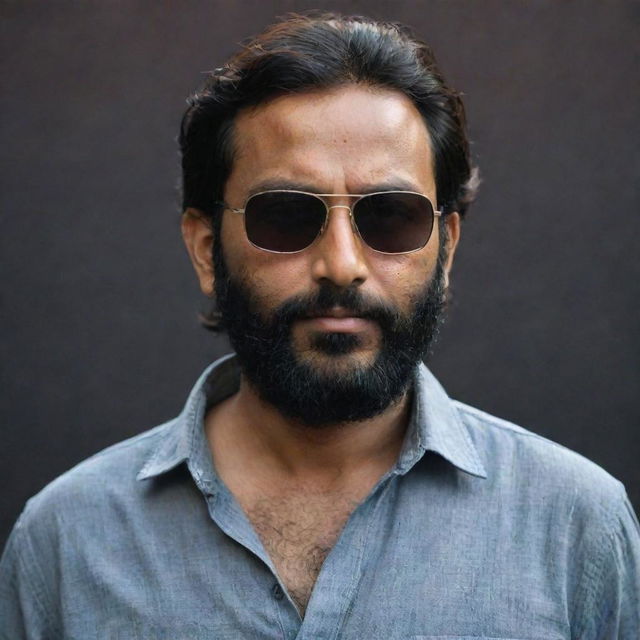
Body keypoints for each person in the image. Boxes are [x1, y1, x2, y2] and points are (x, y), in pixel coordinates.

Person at [1, 13, 638, 639]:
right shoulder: (65, 541)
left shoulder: (577, 525)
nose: (342, 265)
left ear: (446, 248)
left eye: (391, 217)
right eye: (284, 217)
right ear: (204, 249)